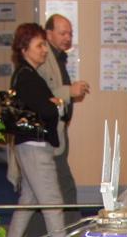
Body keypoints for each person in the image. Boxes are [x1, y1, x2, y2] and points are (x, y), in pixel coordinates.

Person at [3, 23, 65, 237]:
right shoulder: (28, 77)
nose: (44, 50)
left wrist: (52, 103)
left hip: (29, 146)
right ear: (24, 48)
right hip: (35, 148)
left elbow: (43, 107)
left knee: (28, 201)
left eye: (44, 45)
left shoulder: (24, 75)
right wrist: (57, 103)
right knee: (53, 202)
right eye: (39, 45)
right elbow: (47, 110)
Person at [38, 13, 90, 226]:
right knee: (62, 187)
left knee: (42, 191)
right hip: (48, 135)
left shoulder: (58, 57)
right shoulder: (44, 59)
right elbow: (43, 96)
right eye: (63, 33)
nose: (68, 38)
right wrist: (70, 91)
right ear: (49, 33)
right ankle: (72, 230)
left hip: (57, 131)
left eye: (70, 33)